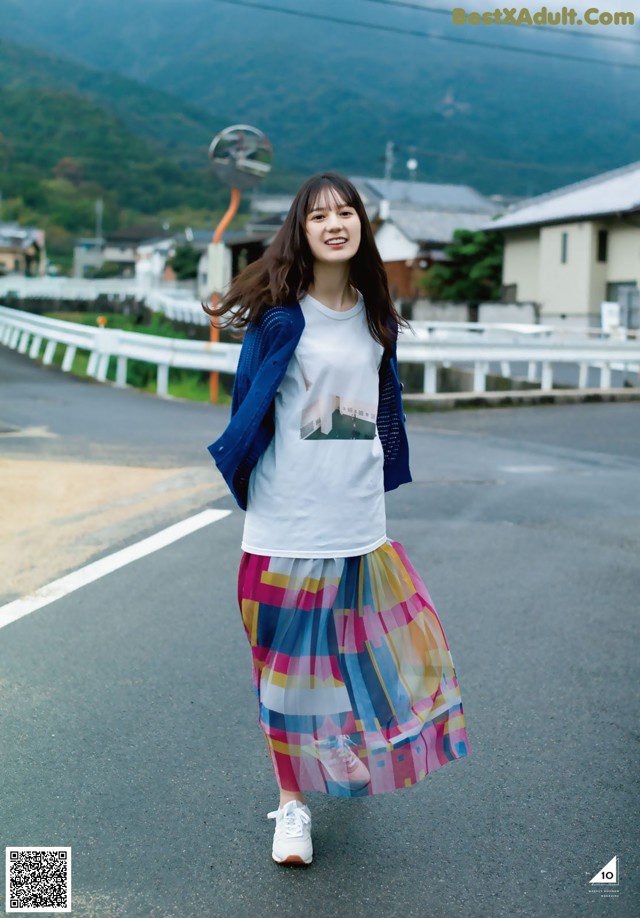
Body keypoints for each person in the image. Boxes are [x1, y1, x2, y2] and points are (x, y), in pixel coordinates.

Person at [204, 172, 470, 867]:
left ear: (360, 226)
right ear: (302, 230)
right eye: (318, 215)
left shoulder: (376, 316)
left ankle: (334, 740)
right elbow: (247, 408)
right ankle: (292, 803)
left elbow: (379, 410)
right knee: (283, 673)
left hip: (358, 522)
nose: (334, 224)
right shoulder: (279, 318)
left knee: (360, 651)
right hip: (286, 522)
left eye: (346, 212)